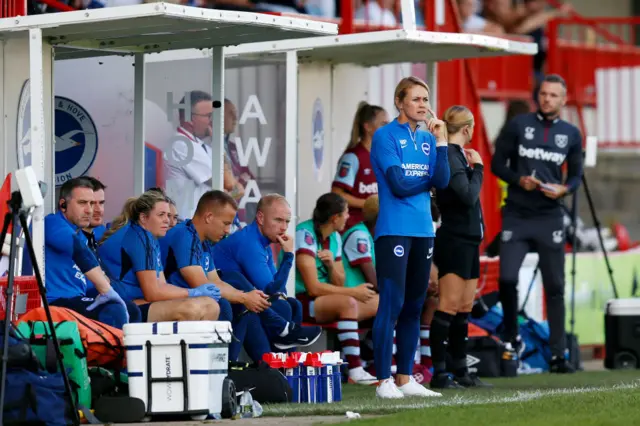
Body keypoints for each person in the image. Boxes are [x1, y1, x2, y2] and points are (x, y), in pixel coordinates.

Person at [491, 74, 582, 374]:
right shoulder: (519, 125)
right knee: (506, 278)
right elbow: (497, 163)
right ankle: (511, 338)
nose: (547, 99)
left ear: (563, 99)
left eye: (554, 95)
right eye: (544, 94)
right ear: (537, 96)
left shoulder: (571, 133)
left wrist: (564, 189)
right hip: (517, 213)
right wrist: (519, 180)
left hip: (549, 216)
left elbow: (576, 176)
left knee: (555, 286)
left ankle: (558, 355)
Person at [370, 76, 450, 399]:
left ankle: (405, 377)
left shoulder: (430, 140)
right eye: (416, 99)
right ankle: (382, 381)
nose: (423, 105)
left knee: (415, 305)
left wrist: (443, 143)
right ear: (400, 102)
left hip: (423, 230)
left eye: (426, 99)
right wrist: (428, 182)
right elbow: (399, 185)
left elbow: (442, 181)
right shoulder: (384, 136)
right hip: (394, 229)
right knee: (391, 303)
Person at [159, 190, 271, 361]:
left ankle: (234, 365)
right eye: (226, 223)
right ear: (209, 217)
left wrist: (247, 297)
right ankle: (221, 367)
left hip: (186, 299)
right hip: (163, 301)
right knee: (225, 304)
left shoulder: (204, 242)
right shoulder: (185, 235)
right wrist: (243, 297)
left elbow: (215, 281)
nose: (228, 231)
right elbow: (202, 284)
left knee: (239, 299)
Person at [429, 105, 491, 389]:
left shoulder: (458, 157)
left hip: (468, 240)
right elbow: (466, 196)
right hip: (454, 239)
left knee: (464, 306)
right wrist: (479, 168)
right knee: (448, 306)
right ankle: (440, 373)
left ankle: (460, 369)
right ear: (467, 129)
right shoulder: (454, 157)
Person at [212, 193, 323, 350]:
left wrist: (288, 257)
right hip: (232, 302)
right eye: (278, 220)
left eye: (287, 222)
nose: (284, 227)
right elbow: (271, 290)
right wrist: (289, 256)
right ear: (260, 218)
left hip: (248, 302)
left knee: (294, 304)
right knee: (282, 307)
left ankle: (287, 357)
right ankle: (277, 361)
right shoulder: (249, 242)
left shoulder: (264, 242)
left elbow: (277, 290)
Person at [98, 190, 222, 323]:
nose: (167, 221)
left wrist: (195, 294)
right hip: (121, 305)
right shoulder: (138, 237)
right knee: (190, 309)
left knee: (211, 305)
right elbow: (153, 293)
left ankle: (196, 344)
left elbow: (161, 284)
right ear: (143, 218)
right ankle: (182, 344)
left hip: (139, 300)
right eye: (161, 215)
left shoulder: (151, 238)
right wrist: (193, 292)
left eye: (168, 215)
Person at [295, 193, 379, 385]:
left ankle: (375, 361)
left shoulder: (335, 238)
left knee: (385, 303)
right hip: (301, 302)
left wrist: (331, 265)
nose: (349, 217)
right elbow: (313, 288)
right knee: (348, 302)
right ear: (335, 218)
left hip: (327, 301)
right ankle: (355, 370)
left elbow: (339, 282)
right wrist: (354, 292)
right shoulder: (304, 234)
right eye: (346, 213)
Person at [45, 178, 139, 329]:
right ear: (63, 205)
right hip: (53, 302)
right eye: (82, 203)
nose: (89, 210)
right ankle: (115, 352)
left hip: (76, 299)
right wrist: (106, 290)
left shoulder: (80, 234)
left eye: (91, 203)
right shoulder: (51, 223)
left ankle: (126, 352)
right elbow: (79, 250)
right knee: (114, 311)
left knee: (131, 309)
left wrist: (111, 292)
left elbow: (89, 284)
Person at [331, 102, 388, 231]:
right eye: (383, 124)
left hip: (377, 229)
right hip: (355, 229)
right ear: (368, 127)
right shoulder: (353, 157)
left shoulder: (383, 155)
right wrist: (369, 205)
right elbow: (337, 194)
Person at [165, 90, 215, 219]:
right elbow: (225, 182)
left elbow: (231, 187)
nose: (213, 121)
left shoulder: (200, 145)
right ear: (189, 118)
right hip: (186, 224)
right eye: (209, 116)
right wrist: (217, 140)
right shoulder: (182, 144)